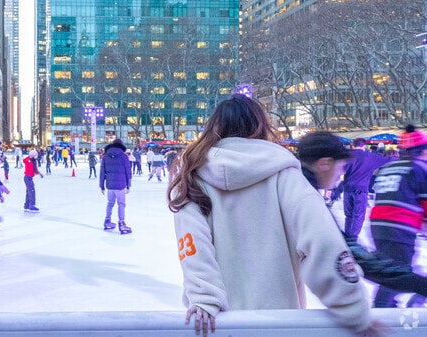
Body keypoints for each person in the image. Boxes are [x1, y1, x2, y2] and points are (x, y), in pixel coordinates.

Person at [166, 95, 382, 337]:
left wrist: (204, 296)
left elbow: (192, 244)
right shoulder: (284, 175)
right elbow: (322, 240)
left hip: (222, 325)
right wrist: (352, 307)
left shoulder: (193, 178)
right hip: (279, 321)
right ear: (260, 126)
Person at [298, 131, 427, 304]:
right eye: (342, 166)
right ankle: (384, 306)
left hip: (378, 221)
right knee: (357, 226)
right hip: (399, 224)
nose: (340, 174)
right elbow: (347, 256)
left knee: (352, 222)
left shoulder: (297, 188)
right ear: (324, 164)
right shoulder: (306, 200)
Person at [369, 125, 427, 308]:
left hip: (378, 225)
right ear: (423, 151)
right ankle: (382, 310)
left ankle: (388, 307)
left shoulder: (388, 167)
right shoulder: (419, 168)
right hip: (400, 225)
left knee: (393, 269)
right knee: (398, 273)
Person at [341, 137, 390, 240]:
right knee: (358, 216)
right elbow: (389, 160)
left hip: (347, 189)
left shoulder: (347, 156)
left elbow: (340, 170)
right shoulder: (370, 157)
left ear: (353, 145)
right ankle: (353, 237)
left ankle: (347, 236)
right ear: (364, 146)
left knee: (348, 215)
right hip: (361, 190)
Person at [99, 139, 132, 234]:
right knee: (121, 204)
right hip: (120, 184)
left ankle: (107, 221)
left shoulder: (105, 157)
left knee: (110, 203)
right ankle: (122, 223)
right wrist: (129, 184)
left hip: (110, 185)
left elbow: (102, 172)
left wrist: (101, 185)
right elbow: (128, 171)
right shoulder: (123, 156)